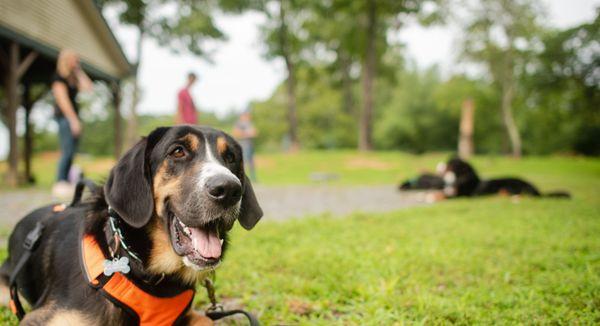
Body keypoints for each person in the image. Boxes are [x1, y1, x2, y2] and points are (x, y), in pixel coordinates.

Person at [51, 49, 93, 198]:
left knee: (72, 151)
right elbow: (63, 101)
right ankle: (60, 181)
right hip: (65, 118)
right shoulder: (58, 78)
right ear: (66, 60)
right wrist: (73, 120)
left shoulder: (73, 78)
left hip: (72, 118)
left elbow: (89, 88)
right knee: (67, 151)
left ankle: (65, 182)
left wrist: (79, 71)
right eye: (74, 59)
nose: (77, 62)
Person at [233, 110, 258, 181]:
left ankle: (253, 178)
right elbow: (236, 133)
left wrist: (248, 133)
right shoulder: (239, 123)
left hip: (250, 145)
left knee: (251, 162)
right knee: (243, 162)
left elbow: (255, 132)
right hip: (243, 145)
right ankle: (241, 178)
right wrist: (248, 133)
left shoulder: (249, 123)